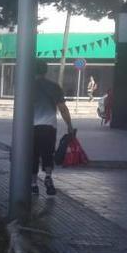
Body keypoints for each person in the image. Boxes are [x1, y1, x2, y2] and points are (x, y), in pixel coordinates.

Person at [32, 60, 74, 195]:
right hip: (49, 126)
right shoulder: (54, 87)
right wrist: (69, 125)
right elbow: (63, 108)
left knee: (32, 154)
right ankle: (48, 178)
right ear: (45, 71)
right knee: (48, 153)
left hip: (30, 127)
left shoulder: (26, 87)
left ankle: (33, 184)